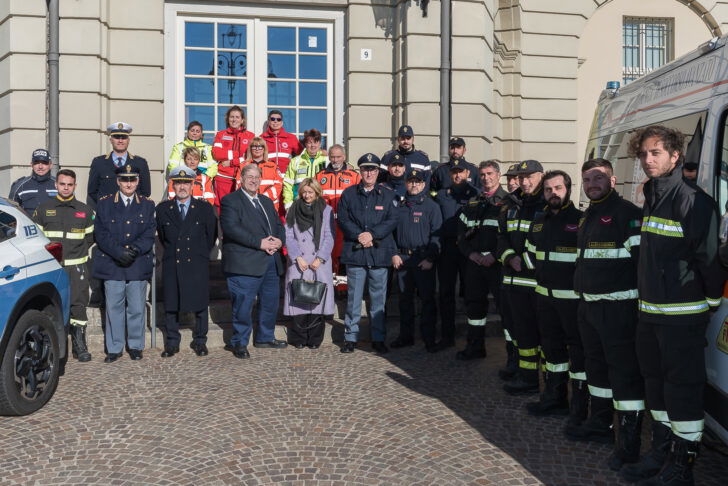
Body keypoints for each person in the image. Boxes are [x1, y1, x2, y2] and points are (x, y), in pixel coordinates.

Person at [622, 126, 724, 485]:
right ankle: (661, 453)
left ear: (675, 156)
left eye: (656, 153)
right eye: (644, 154)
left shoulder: (693, 201)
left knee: (682, 393)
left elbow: (709, 262)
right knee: (656, 387)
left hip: (682, 319)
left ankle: (682, 469)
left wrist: (708, 304)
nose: (649, 160)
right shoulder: (654, 195)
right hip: (649, 314)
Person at [568, 158, 644, 472]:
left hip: (618, 311)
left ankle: (629, 447)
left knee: (624, 376)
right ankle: (600, 425)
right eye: (587, 179)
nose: (592, 183)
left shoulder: (628, 215)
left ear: (612, 181)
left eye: (598, 178)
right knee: (596, 371)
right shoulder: (588, 218)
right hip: (588, 308)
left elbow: (642, 266)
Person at [523, 171, 584, 420]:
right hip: (544, 297)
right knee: (551, 351)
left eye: (558, 188)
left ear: (568, 189)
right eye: (548, 189)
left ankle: (580, 407)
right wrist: (538, 272)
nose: (553, 193)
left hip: (572, 299)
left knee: (578, 355)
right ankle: (554, 398)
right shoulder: (539, 220)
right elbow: (528, 251)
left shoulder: (580, 220)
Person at [220, 163, 287, 359]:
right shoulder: (230, 201)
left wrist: (279, 240)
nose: (254, 180)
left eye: (257, 176)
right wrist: (259, 243)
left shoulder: (266, 201)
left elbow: (277, 224)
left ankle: (265, 337)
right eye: (249, 176)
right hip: (244, 262)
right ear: (241, 178)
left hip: (270, 261)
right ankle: (239, 342)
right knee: (243, 305)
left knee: (270, 302)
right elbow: (232, 228)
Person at [92, 164, 155, 363]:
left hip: (136, 262)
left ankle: (135, 346)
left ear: (138, 181)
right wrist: (118, 252)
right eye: (125, 179)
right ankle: (114, 347)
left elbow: (149, 233)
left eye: (132, 179)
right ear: (118, 181)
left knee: (136, 307)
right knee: (114, 308)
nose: (128, 183)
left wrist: (134, 250)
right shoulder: (104, 203)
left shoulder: (147, 204)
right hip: (113, 262)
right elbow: (100, 233)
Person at [337, 153, 398, 354]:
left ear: (378, 172)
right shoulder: (349, 194)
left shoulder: (388, 195)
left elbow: (391, 220)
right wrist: (359, 236)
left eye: (373, 169)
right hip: (356, 253)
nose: (369, 172)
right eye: (365, 169)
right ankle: (350, 338)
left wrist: (371, 234)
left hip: (379, 253)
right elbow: (343, 219)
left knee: (378, 300)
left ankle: (378, 338)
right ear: (360, 171)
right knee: (353, 298)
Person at [31, 169, 94, 362]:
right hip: (52, 267)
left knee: (78, 306)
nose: (66, 187)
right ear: (56, 185)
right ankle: (46, 347)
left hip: (76, 268)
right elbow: (38, 240)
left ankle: (79, 345)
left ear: (75, 186)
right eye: (62, 184)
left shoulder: (85, 211)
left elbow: (89, 239)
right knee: (47, 305)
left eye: (70, 184)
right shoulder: (43, 209)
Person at [156, 166, 218, 358]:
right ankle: (172, 342)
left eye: (186, 183)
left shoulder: (204, 208)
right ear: (173, 185)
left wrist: (200, 254)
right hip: (173, 260)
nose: (182, 187)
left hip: (196, 262)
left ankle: (200, 341)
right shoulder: (163, 209)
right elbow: (164, 237)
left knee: (200, 304)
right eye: (178, 183)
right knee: (171, 304)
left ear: (193, 185)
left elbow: (211, 236)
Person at [496, 159, 545, 395]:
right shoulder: (512, 204)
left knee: (537, 335)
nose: (524, 182)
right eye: (521, 178)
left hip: (535, 283)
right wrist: (508, 258)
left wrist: (523, 261)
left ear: (541, 176)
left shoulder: (546, 204)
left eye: (530, 177)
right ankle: (523, 373)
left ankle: (541, 381)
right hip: (511, 281)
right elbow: (501, 237)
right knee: (519, 332)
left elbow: (546, 241)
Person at [455, 160, 508, 360]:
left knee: (506, 309)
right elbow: (461, 234)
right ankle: (475, 347)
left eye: (490, 174)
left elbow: (511, 236)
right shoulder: (473, 203)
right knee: (474, 306)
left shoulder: (508, 202)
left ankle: (513, 357)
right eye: (483, 174)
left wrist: (494, 255)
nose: (486, 178)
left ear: (498, 175)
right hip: (475, 263)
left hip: (498, 263)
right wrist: (472, 255)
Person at [390, 169, 442, 351]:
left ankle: (429, 338)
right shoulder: (400, 207)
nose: (413, 185)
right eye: (410, 181)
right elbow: (391, 233)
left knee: (427, 300)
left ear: (423, 184)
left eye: (417, 182)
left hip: (423, 260)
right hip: (403, 259)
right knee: (405, 301)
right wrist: (394, 253)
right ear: (405, 184)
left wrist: (430, 258)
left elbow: (437, 236)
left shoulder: (431, 206)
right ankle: (406, 337)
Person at [282, 178, 335, 348]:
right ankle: (298, 338)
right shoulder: (293, 210)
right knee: (298, 299)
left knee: (316, 299)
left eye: (310, 192)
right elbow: (288, 235)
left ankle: (314, 339)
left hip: (319, 262)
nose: (307, 195)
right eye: (304, 192)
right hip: (299, 261)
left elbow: (329, 236)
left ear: (317, 192)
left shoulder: (326, 210)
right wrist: (297, 256)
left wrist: (319, 258)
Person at [433, 163, 479, 351]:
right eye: (454, 172)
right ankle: (447, 336)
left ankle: (473, 339)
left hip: (468, 248)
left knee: (471, 294)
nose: (457, 175)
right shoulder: (442, 195)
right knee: (446, 294)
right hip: (448, 249)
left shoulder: (476, 194)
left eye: (461, 172)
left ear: (467, 173)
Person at [315, 145, 361, 290]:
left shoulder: (354, 176)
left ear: (344, 157)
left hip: (346, 223)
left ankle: (343, 289)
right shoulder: (319, 176)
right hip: (326, 223)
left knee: (343, 255)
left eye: (338, 156)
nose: (335, 160)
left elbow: (360, 201)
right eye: (332, 156)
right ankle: (329, 287)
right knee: (328, 255)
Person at [87, 122, 151, 207]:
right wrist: (105, 206)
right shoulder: (98, 162)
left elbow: (146, 192)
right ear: (111, 140)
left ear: (128, 140)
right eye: (117, 137)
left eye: (124, 138)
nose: (120, 141)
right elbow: (92, 191)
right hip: (107, 213)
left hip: (132, 212)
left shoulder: (140, 163)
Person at [212, 106, 255, 205]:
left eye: (237, 117)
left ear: (242, 120)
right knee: (222, 206)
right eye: (231, 117)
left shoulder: (250, 136)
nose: (234, 119)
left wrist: (231, 161)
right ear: (228, 119)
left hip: (242, 178)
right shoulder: (221, 135)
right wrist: (237, 154)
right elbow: (216, 154)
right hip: (223, 177)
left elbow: (250, 157)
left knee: (241, 208)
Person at [235, 137, 284, 215]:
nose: (257, 149)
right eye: (254, 146)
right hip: (248, 204)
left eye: (260, 146)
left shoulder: (273, 166)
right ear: (250, 149)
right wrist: (251, 198)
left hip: (269, 204)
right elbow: (239, 184)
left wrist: (264, 197)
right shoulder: (243, 165)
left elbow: (279, 185)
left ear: (264, 149)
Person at [282, 128, 328, 210]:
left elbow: (340, 164)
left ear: (320, 144)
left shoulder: (327, 160)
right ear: (305, 144)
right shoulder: (295, 161)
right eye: (310, 142)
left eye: (315, 142)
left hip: (320, 205)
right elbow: (287, 185)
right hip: (299, 206)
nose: (313, 145)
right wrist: (288, 206)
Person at [9, 148, 58, 214]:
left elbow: (69, 210)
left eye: (44, 163)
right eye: (36, 163)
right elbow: (11, 212)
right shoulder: (19, 186)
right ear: (31, 164)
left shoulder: (60, 184)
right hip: (28, 224)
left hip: (54, 224)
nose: (40, 167)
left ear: (50, 165)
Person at [260, 109, 303, 174]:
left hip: (287, 177)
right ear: (269, 122)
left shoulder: (291, 138)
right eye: (272, 119)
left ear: (282, 123)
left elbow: (303, 155)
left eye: (278, 119)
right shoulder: (262, 138)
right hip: (268, 175)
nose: (275, 121)